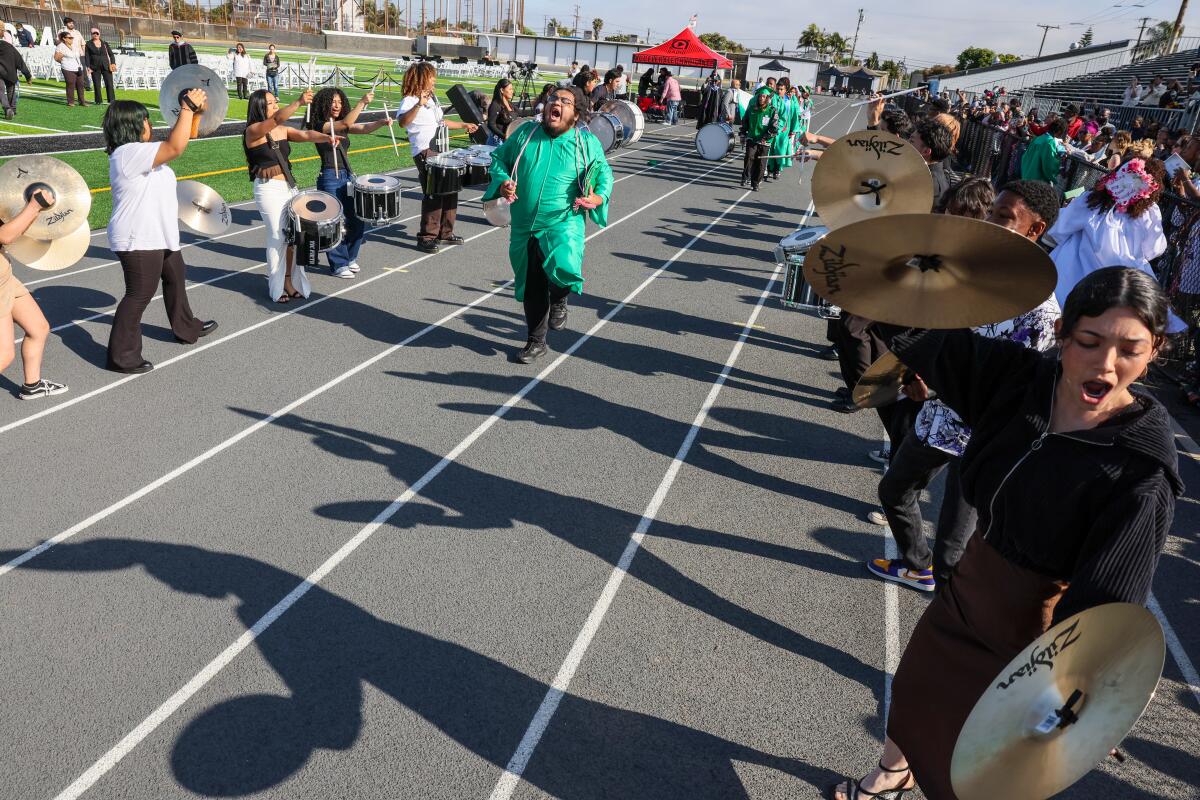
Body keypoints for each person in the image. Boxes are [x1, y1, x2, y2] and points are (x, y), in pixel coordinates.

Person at [834, 265, 1182, 800]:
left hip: (1035, 636)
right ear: (1062, 335)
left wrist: (1074, 686)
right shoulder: (1023, 380)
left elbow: (1109, 599)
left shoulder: (1140, 472)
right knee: (914, 690)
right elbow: (934, 340)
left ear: (1155, 349)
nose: (1106, 364)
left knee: (979, 765)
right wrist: (900, 268)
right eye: (1088, 341)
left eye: (1130, 349)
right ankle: (893, 772)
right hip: (969, 584)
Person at [868, 180, 1064, 593]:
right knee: (894, 489)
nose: (990, 223)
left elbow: (1005, 388)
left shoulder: (1041, 311)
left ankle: (945, 632)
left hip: (983, 437)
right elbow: (941, 336)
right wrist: (918, 368)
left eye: (1004, 218)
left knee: (953, 551)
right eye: (991, 212)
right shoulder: (967, 271)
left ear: (1035, 229)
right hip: (940, 420)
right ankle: (914, 563)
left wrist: (938, 386)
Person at [483, 85, 613, 365]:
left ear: (575, 113)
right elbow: (498, 160)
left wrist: (598, 197)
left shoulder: (585, 143)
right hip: (524, 224)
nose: (556, 103)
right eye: (553, 98)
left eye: (565, 101)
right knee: (532, 284)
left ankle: (560, 297)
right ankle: (536, 341)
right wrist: (503, 182)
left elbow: (604, 174)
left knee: (563, 268)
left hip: (564, 221)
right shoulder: (525, 134)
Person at [102, 98, 217, 373]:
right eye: (144, 119)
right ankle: (122, 356)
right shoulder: (127, 153)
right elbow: (175, 146)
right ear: (130, 125)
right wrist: (187, 107)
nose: (149, 124)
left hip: (159, 233)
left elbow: (185, 136)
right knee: (139, 295)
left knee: (176, 276)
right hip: (137, 236)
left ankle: (186, 327)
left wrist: (196, 114)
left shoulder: (144, 152)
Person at [1048, 158, 1173, 316]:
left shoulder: (1095, 199)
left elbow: (1061, 226)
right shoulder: (1149, 211)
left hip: (1074, 263)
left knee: (1056, 307)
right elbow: (1154, 249)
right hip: (1122, 275)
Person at [244, 87, 332, 300]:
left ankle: (289, 281)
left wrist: (327, 138)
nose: (275, 106)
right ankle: (276, 287)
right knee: (277, 236)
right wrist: (299, 102)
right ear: (260, 107)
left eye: (276, 102)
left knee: (293, 237)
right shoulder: (253, 130)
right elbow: (276, 119)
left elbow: (305, 134)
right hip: (268, 189)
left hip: (289, 188)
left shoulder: (281, 129)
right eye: (271, 103)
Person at [307, 87, 393, 280]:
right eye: (333, 102)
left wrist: (381, 122)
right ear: (323, 104)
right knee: (334, 222)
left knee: (357, 219)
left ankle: (350, 257)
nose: (337, 105)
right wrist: (362, 102)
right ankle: (338, 264)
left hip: (348, 174)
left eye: (339, 102)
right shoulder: (320, 125)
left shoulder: (341, 125)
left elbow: (361, 128)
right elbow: (347, 122)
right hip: (330, 176)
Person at [396, 61, 480, 254]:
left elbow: (440, 122)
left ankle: (445, 233)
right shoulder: (409, 100)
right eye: (431, 77)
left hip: (442, 150)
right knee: (434, 193)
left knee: (451, 190)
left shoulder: (432, 100)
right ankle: (427, 236)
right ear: (421, 78)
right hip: (425, 151)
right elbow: (402, 122)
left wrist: (464, 125)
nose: (434, 80)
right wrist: (419, 104)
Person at [0, 189, 68, 400]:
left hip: (5, 274)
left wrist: (36, 211)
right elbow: (5, 235)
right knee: (4, 354)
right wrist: (34, 205)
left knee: (38, 328)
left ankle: (33, 385)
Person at [907, 118, 954, 209]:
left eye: (911, 141)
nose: (906, 143)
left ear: (926, 151)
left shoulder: (926, 184)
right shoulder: (933, 176)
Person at [740, 87, 777, 191]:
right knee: (749, 157)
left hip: (765, 141)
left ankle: (755, 183)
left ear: (767, 98)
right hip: (752, 138)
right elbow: (745, 122)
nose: (761, 98)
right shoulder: (752, 108)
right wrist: (743, 134)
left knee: (761, 163)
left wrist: (766, 137)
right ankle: (745, 177)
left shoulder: (772, 111)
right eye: (760, 96)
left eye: (764, 96)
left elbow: (774, 127)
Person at [765, 77, 798, 182]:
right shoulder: (773, 97)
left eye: (781, 89)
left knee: (781, 149)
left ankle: (777, 170)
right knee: (771, 149)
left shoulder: (790, 99)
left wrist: (793, 129)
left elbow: (794, 115)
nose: (779, 91)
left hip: (784, 129)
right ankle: (770, 169)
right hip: (772, 127)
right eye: (778, 88)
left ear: (786, 89)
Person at [1020, 116, 1066, 184]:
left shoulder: (1037, 138)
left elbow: (1025, 157)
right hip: (1037, 181)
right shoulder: (1049, 142)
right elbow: (1049, 164)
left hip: (1026, 175)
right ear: (1059, 131)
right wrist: (1060, 159)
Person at [0, 33, 30, 119]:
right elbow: (19, 61)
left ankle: (7, 108)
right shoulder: (10, 48)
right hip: (10, 72)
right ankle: (12, 109)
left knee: (0, 91)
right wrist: (28, 76)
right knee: (11, 90)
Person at [84, 27, 116, 105]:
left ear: (99, 34)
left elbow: (111, 54)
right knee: (96, 84)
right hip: (94, 67)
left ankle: (111, 100)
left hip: (106, 66)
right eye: (93, 34)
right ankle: (98, 100)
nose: (95, 35)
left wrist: (113, 63)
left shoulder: (105, 43)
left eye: (97, 33)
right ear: (91, 35)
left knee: (109, 83)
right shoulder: (88, 44)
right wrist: (88, 67)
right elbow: (87, 56)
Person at [53, 31, 86, 107]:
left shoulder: (74, 46)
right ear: (64, 39)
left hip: (78, 67)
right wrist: (64, 61)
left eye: (72, 38)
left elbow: (79, 55)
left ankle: (82, 101)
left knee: (81, 84)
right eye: (70, 38)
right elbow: (56, 58)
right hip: (67, 68)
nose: (72, 39)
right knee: (71, 84)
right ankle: (71, 102)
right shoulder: (60, 46)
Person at [486, 78, 515, 145]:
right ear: (502, 90)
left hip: (506, 140)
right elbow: (491, 124)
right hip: (497, 141)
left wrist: (538, 110)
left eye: (512, 89)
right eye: (510, 89)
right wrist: (504, 136)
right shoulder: (495, 105)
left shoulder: (509, 104)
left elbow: (521, 113)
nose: (512, 91)